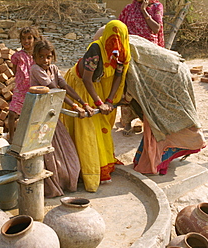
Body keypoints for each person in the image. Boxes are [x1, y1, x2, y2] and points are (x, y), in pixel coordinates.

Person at [62, 20, 131, 192]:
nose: (114, 41)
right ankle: (87, 173)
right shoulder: (96, 49)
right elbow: (86, 78)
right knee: (86, 132)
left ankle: (102, 165)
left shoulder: (123, 53)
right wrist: (99, 103)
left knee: (101, 130)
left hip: (95, 87)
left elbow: (117, 77)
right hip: (80, 86)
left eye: (118, 37)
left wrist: (108, 100)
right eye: (112, 36)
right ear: (106, 35)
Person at [124, 35, 206, 175]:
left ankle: (159, 161)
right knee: (156, 123)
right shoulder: (129, 43)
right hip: (173, 74)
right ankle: (154, 159)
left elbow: (130, 87)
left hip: (168, 83)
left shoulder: (125, 54)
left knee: (162, 122)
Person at [30, 39, 92, 197]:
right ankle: (54, 185)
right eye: (42, 57)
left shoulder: (53, 68)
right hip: (39, 117)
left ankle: (67, 180)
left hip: (52, 114)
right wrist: (75, 106)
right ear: (35, 57)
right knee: (48, 154)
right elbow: (55, 90)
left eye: (49, 57)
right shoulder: (35, 70)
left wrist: (84, 103)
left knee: (64, 149)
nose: (45, 60)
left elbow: (65, 87)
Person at [119, 0, 165, 136]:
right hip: (131, 52)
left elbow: (156, 28)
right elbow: (121, 29)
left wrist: (144, 11)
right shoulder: (128, 8)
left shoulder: (156, 7)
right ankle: (127, 122)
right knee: (128, 87)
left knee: (148, 88)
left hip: (148, 54)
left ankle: (150, 122)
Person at [8, 27, 41, 143]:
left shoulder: (39, 56)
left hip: (35, 89)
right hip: (20, 90)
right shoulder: (18, 56)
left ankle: (32, 138)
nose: (26, 41)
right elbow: (14, 70)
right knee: (12, 113)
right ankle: (11, 137)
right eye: (23, 39)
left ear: (35, 39)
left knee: (32, 115)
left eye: (29, 38)